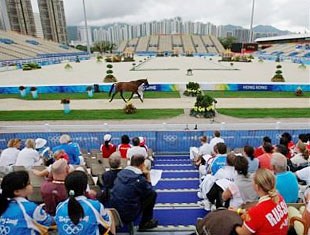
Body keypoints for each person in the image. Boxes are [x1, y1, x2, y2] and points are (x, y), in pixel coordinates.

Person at [55, 170, 114, 235]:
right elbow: (108, 224)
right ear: (86, 188)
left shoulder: (59, 207)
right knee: (110, 213)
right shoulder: (95, 206)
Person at [233, 168, 288, 235]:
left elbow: (243, 233)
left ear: (257, 187)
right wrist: (239, 210)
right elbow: (263, 215)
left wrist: (234, 225)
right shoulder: (279, 197)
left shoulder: (257, 212)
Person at [110, 154, 158, 230]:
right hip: (128, 214)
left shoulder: (121, 173)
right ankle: (145, 223)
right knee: (153, 194)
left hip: (113, 211)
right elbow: (149, 192)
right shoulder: (139, 179)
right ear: (142, 164)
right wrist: (148, 175)